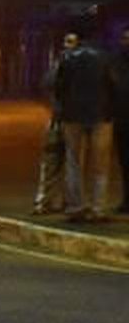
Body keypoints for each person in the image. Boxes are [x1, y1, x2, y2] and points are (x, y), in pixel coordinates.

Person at [53, 27, 116, 223]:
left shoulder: (68, 59)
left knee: (74, 161)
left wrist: (62, 109)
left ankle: (76, 206)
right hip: (101, 116)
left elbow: (58, 86)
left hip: (72, 116)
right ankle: (99, 208)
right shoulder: (105, 58)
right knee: (101, 164)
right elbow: (113, 86)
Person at [33, 32, 76, 215]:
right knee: (54, 160)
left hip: (69, 120)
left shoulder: (64, 65)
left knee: (67, 162)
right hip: (62, 120)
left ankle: (57, 201)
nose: (69, 47)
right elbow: (47, 85)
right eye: (67, 42)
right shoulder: (61, 66)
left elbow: (46, 85)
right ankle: (46, 200)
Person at [113, 27, 129, 213]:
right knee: (125, 163)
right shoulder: (116, 62)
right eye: (125, 38)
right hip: (122, 120)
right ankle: (127, 199)